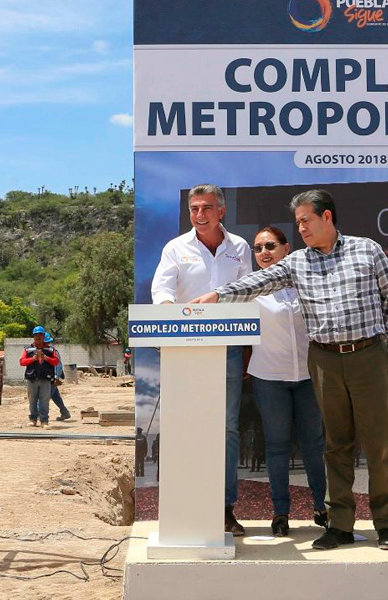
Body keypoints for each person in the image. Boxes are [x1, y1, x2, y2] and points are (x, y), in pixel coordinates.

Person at [193, 189, 388, 551]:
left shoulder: (366, 249)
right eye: (298, 223)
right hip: (322, 360)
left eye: (306, 221)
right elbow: (255, 283)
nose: (302, 228)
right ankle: (339, 524)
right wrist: (217, 295)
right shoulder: (298, 262)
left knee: (378, 445)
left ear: (327, 218)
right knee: (335, 446)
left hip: (368, 356)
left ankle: (385, 524)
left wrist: (378, 341)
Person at [151, 183, 252, 536]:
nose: (199, 215)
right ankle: (185, 508)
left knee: (226, 429)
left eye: (206, 208)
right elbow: (162, 289)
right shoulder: (175, 248)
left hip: (227, 348)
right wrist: (168, 314)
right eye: (194, 209)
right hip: (184, 348)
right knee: (184, 424)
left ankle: (224, 509)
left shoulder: (239, 247)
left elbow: (245, 292)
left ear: (221, 211)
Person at [247, 226, 328, 537]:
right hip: (269, 378)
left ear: (286, 248)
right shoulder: (250, 289)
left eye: (270, 245)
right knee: (277, 447)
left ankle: (323, 507)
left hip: (310, 377)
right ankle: (280, 513)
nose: (264, 252)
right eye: (258, 248)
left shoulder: (307, 282)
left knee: (314, 445)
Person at [19, 326, 59, 429]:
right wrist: (33, 359)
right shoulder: (28, 349)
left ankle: (44, 421)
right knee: (32, 400)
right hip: (32, 379)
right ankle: (33, 419)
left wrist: (46, 358)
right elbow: (22, 362)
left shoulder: (50, 350)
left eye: (40, 335)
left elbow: (56, 362)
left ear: (43, 336)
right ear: (33, 336)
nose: (38, 337)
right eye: (36, 335)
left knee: (44, 400)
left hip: (45, 379)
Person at [45, 333, 71, 421]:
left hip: (52, 379)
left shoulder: (53, 352)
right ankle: (65, 412)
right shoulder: (46, 352)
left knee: (44, 397)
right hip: (49, 378)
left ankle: (40, 415)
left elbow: (58, 365)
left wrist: (56, 378)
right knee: (55, 396)